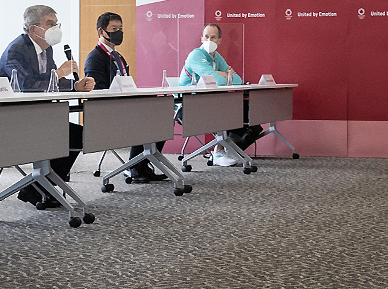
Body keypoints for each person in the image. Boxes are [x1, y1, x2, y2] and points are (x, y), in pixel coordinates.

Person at [0, 5, 96, 208]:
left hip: (39, 115)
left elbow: (50, 84)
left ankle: (39, 188)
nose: (56, 28)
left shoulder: (46, 49)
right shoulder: (17, 49)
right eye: (50, 24)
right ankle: (37, 189)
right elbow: (27, 86)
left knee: (77, 135)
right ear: (33, 29)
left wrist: (75, 86)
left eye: (57, 24)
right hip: (14, 118)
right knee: (68, 135)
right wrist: (58, 73)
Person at [84, 12, 167, 184]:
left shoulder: (118, 56)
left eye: (120, 29)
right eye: (114, 29)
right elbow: (97, 92)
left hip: (124, 107)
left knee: (162, 116)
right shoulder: (95, 57)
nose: (118, 32)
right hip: (108, 112)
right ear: (101, 31)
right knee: (146, 119)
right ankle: (134, 167)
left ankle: (143, 164)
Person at [180, 23, 263, 167]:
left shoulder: (217, 57)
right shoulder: (196, 55)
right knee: (233, 109)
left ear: (219, 41)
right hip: (189, 104)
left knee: (246, 109)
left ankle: (228, 149)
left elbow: (237, 80)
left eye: (213, 37)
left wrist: (218, 74)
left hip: (210, 101)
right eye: (206, 37)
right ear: (201, 38)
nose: (209, 40)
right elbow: (217, 80)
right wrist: (224, 74)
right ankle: (219, 151)